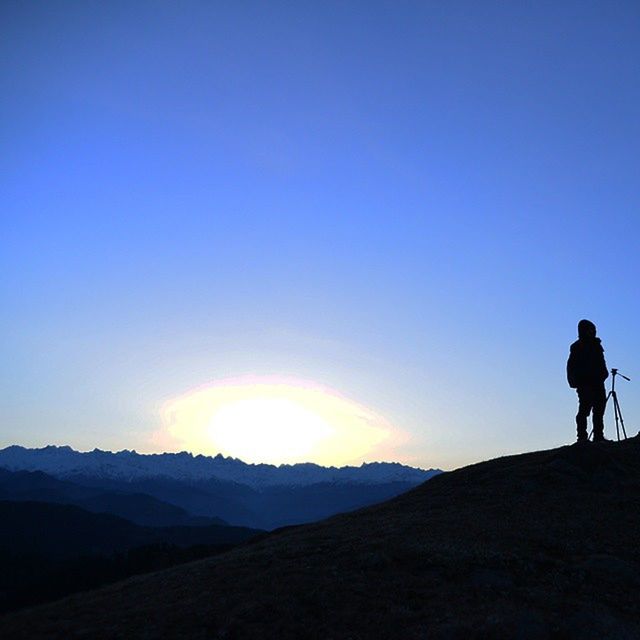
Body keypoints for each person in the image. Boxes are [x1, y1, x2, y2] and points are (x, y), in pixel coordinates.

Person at [566, 319, 609, 443]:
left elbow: (601, 362)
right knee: (584, 410)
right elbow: (572, 367)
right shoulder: (577, 348)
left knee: (599, 409)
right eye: (591, 329)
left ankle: (598, 436)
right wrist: (578, 381)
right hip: (585, 384)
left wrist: (603, 374)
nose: (594, 332)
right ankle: (582, 437)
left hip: (598, 382)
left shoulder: (596, 345)